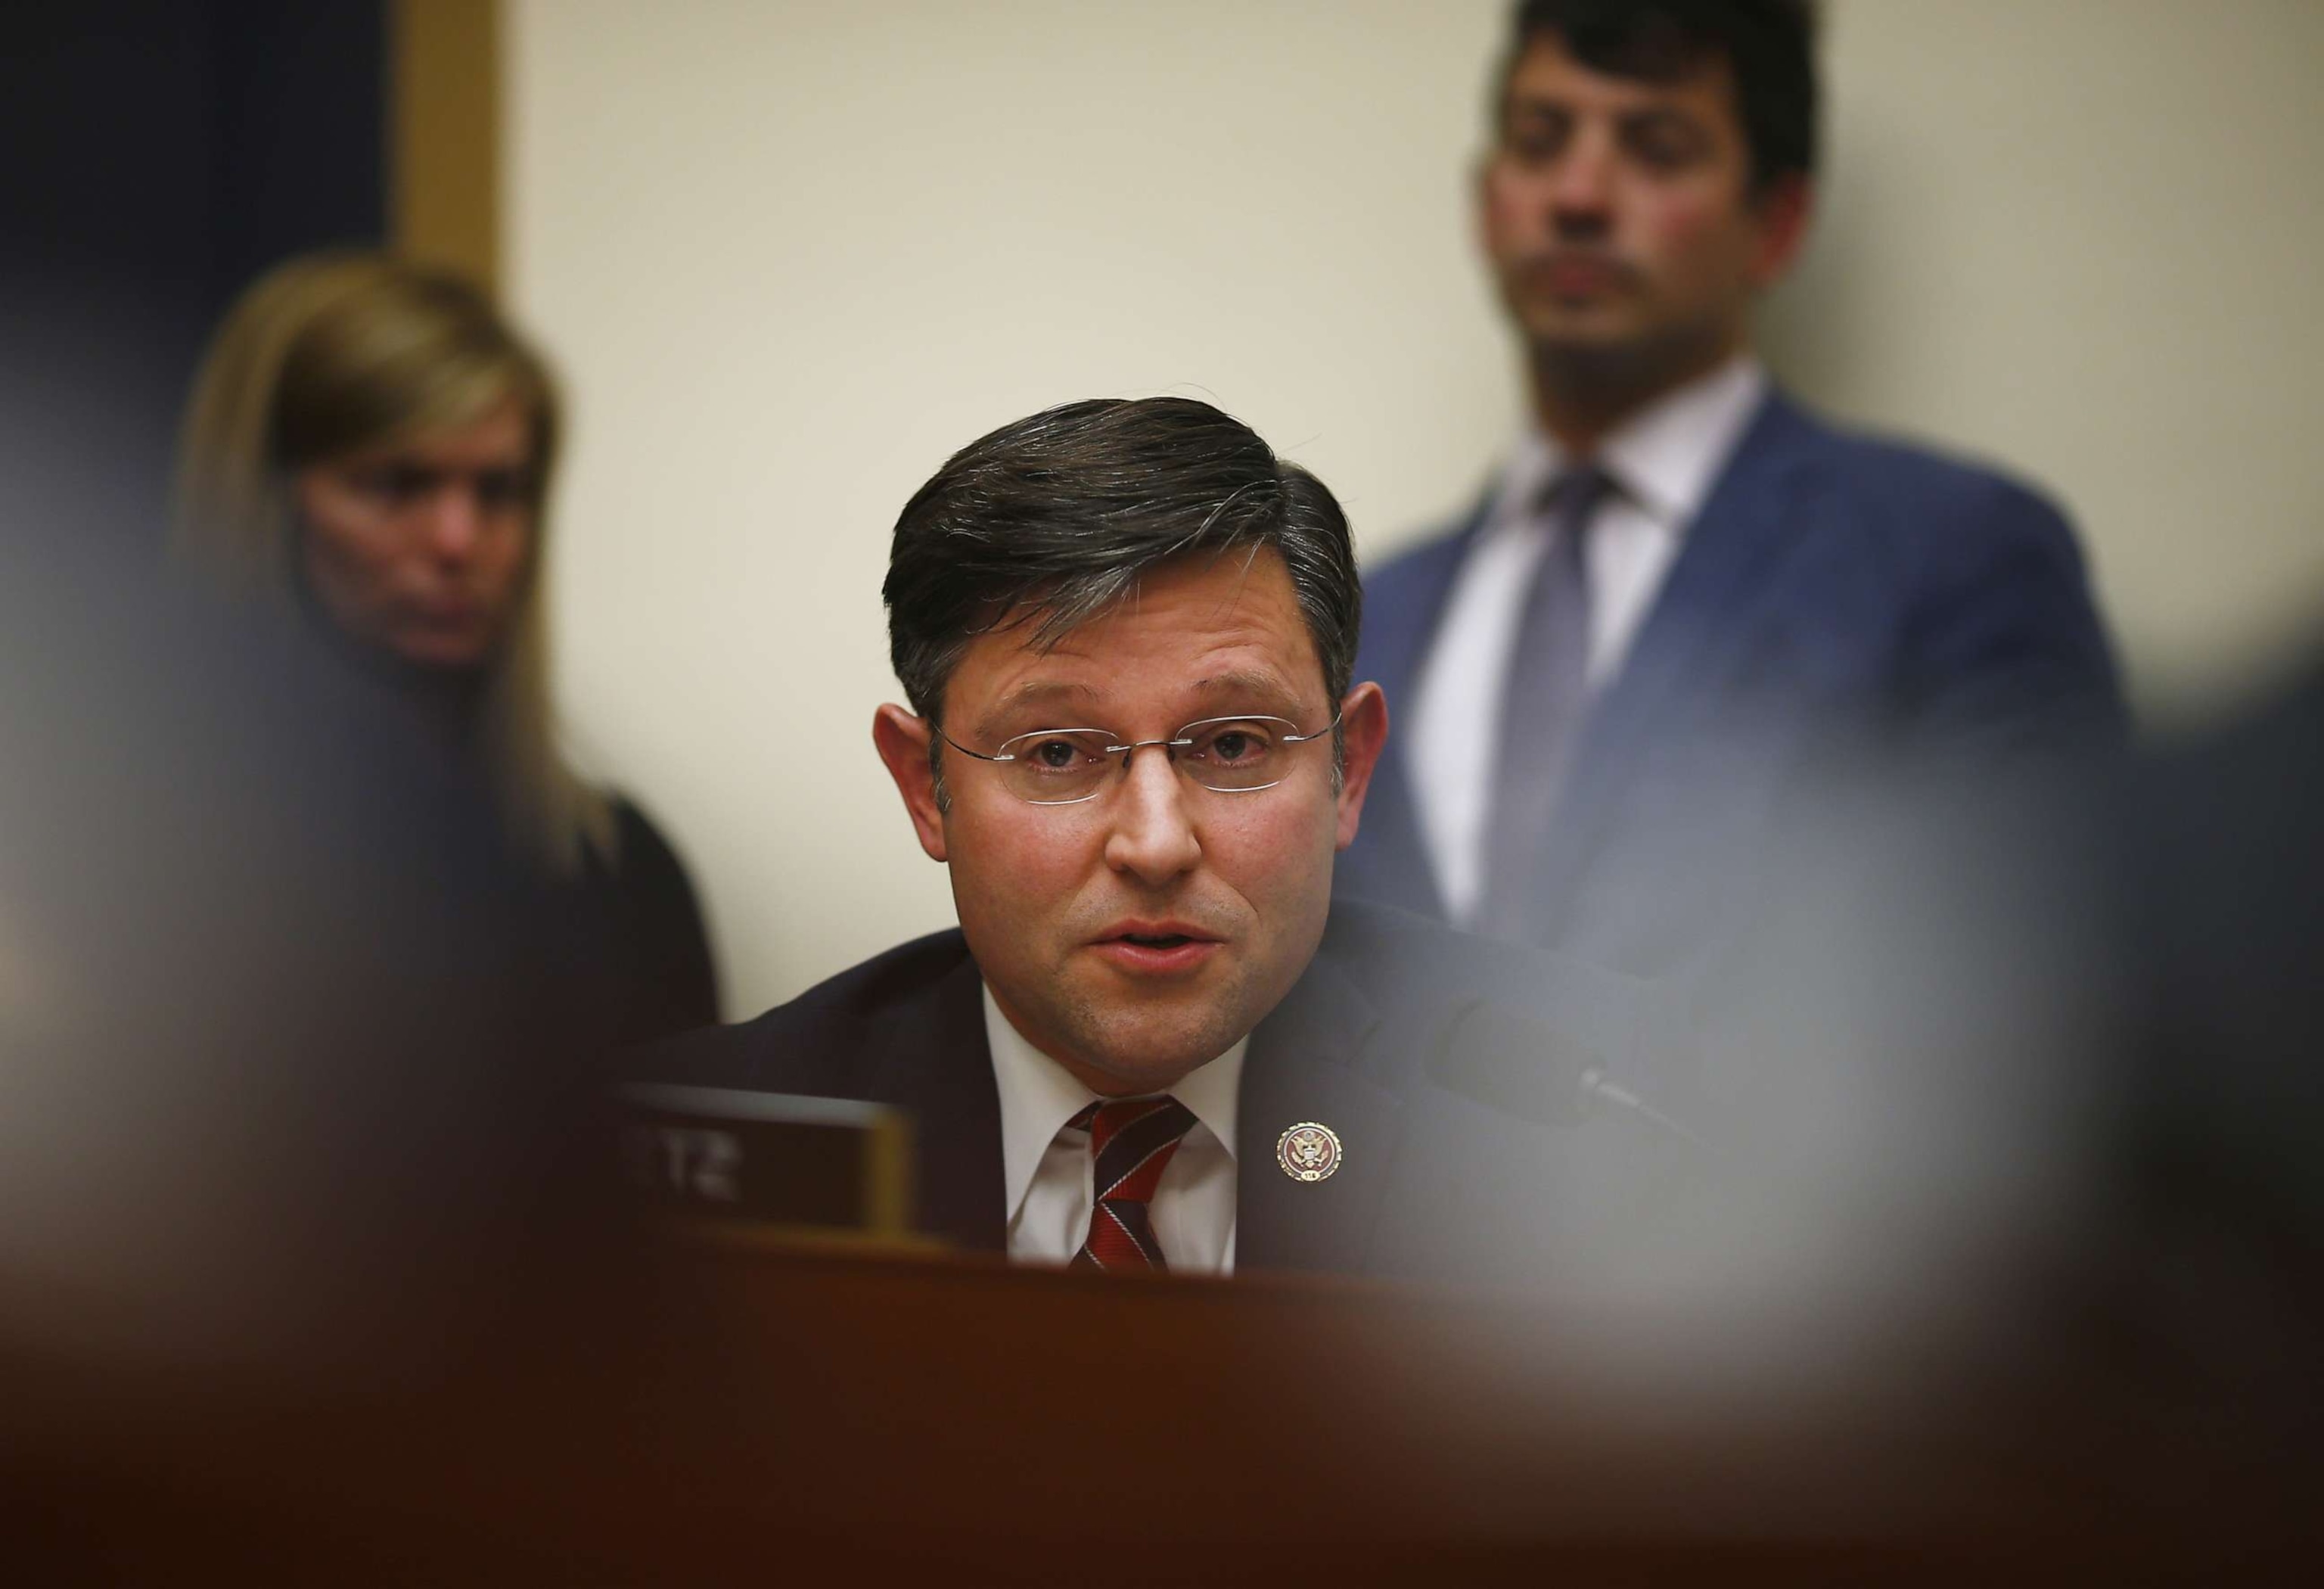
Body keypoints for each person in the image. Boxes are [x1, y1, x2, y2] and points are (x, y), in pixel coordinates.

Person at [640, 396, 1648, 1279]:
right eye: (1058, 754)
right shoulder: (695, 1155)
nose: (1158, 844)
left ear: (1351, 770)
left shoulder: (1590, 1120)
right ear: (927, 788)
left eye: (1235, 742)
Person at [1337, 0, 2123, 975]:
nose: (1578, 192)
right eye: (1540, 142)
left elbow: (2044, 991)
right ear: (1486, 199)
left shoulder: (1956, 556)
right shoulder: (1368, 613)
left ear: (1778, 223)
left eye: (1657, 147)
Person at [172, 252, 719, 1046]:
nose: (458, 541)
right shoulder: (133, 869)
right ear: (266, 499)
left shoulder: (616, 870)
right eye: (394, 485)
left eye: (499, 492)